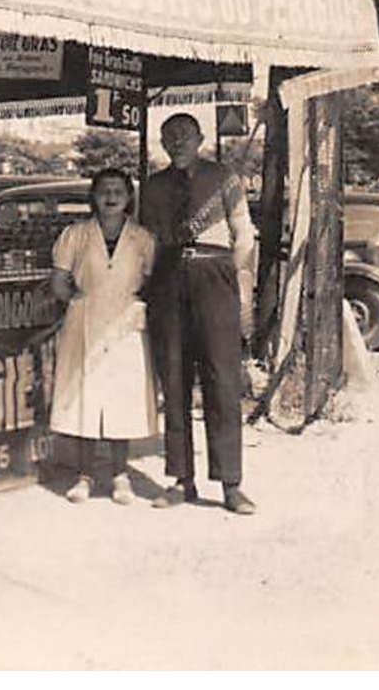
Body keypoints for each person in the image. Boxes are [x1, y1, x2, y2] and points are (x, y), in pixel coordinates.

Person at [139, 113, 258, 515]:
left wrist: (233, 274)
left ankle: (230, 484)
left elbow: (244, 233)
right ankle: (180, 479)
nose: (177, 142)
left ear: (201, 138)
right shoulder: (152, 187)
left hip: (215, 275)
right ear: (161, 141)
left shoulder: (224, 177)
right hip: (169, 281)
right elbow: (147, 241)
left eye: (185, 135)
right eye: (169, 136)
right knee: (173, 380)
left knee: (221, 380)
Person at [49, 168, 158, 505]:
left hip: (126, 324)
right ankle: (84, 477)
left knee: (121, 399)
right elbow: (59, 282)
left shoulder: (142, 239)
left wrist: (135, 304)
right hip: (85, 321)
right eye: (104, 191)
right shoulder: (75, 235)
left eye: (118, 191)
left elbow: (152, 281)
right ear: (93, 197)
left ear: (128, 198)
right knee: (85, 397)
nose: (111, 197)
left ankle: (119, 476)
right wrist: (78, 301)